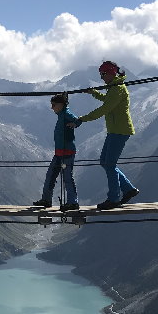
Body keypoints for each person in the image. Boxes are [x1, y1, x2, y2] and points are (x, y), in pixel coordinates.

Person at [74, 60, 138, 210]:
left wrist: (82, 119)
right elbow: (108, 101)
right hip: (115, 130)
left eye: (102, 74)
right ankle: (128, 189)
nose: (101, 78)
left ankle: (114, 198)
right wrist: (95, 93)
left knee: (109, 164)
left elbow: (105, 108)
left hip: (120, 130)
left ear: (110, 73)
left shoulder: (117, 88)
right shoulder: (114, 87)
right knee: (105, 161)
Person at [32, 92, 81, 211]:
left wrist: (74, 123)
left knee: (66, 177)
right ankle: (48, 200)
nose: (52, 107)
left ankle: (72, 202)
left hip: (66, 152)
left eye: (54, 105)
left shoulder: (66, 113)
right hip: (60, 152)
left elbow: (78, 120)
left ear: (61, 104)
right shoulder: (61, 114)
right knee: (53, 176)